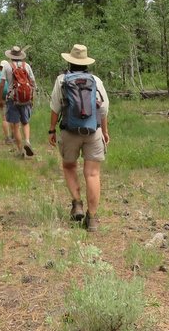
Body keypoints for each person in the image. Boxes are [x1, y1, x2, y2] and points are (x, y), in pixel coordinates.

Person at [48, 44, 109, 232]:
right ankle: (92, 219)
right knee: (92, 173)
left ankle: (77, 204)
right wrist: (105, 132)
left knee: (69, 166)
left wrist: (52, 130)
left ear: (69, 61)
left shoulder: (61, 80)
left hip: (69, 130)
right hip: (93, 130)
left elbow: (55, 108)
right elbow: (104, 109)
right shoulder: (96, 80)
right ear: (86, 62)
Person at [0, 46, 36, 157]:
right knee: (25, 122)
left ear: (11, 56)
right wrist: (31, 97)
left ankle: (20, 151)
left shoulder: (7, 66)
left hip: (12, 99)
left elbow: (1, 84)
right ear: (20, 56)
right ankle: (27, 141)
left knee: (15, 126)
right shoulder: (26, 66)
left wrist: (1, 99)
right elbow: (33, 82)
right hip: (26, 98)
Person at [0, 61, 14, 144]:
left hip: (2, 98)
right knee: (12, 117)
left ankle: (8, 138)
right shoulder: (11, 73)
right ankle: (14, 136)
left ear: (0, 67)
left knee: (4, 118)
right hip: (11, 97)